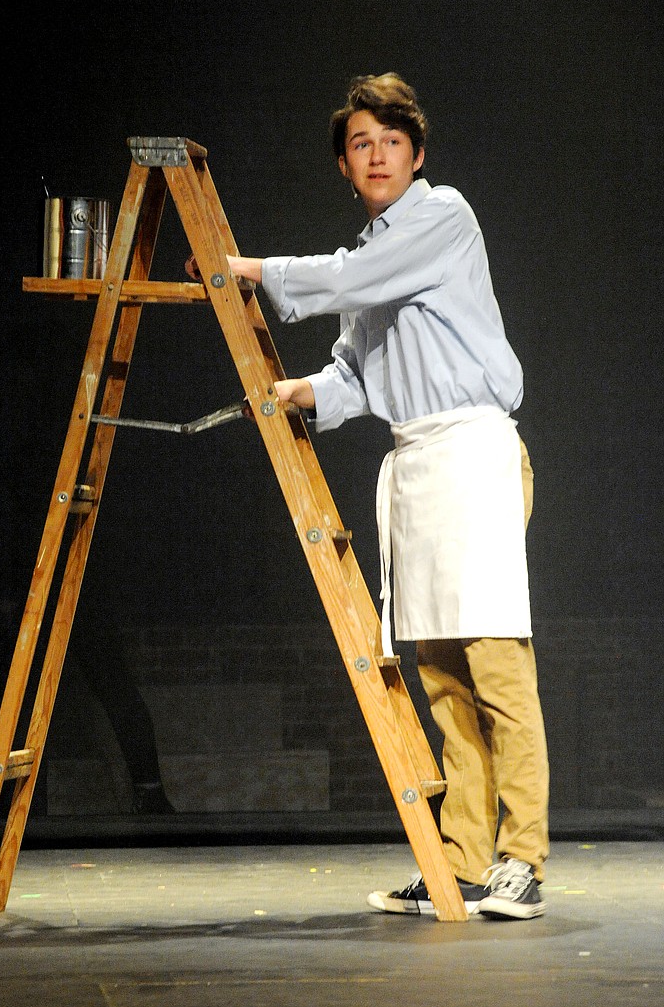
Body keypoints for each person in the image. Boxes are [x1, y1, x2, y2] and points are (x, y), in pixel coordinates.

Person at [191, 72, 549, 920]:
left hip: (471, 448)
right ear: (345, 167)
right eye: (361, 144)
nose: (377, 155)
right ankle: (462, 858)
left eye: (391, 141)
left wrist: (247, 271)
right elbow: (354, 372)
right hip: (418, 464)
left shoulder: (439, 216)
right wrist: (293, 394)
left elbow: (349, 281)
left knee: (498, 669)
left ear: (415, 155)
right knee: (441, 677)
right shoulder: (372, 260)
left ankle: (522, 859)